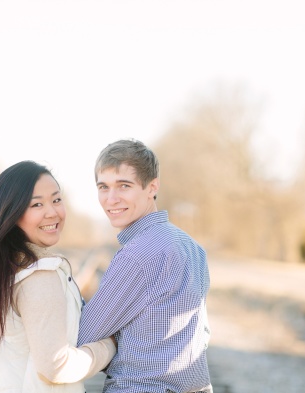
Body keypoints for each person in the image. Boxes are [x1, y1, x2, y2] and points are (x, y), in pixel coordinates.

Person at [0, 160, 116, 393]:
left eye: (56, 200)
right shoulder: (38, 276)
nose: (52, 212)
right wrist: (109, 347)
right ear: (12, 213)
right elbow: (56, 367)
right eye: (36, 205)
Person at [77, 139, 212, 393]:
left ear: (152, 187)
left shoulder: (136, 255)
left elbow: (83, 336)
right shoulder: (193, 247)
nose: (111, 198)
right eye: (103, 187)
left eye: (124, 186)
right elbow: (202, 333)